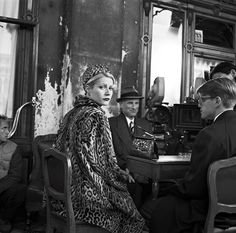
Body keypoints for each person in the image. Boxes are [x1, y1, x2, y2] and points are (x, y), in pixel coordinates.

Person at [54, 64, 145, 233]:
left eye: (110, 88)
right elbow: (100, 163)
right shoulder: (97, 115)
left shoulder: (71, 113)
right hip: (85, 197)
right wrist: (118, 175)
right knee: (134, 217)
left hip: (62, 192)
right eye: (102, 87)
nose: (108, 92)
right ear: (87, 89)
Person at [149, 77, 236, 233]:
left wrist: (168, 187)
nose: (198, 104)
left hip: (211, 211)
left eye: (202, 99)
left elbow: (194, 188)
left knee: (158, 209)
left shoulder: (209, 135)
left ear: (217, 101)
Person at [109, 86, 153, 210]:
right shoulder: (111, 124)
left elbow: (149, 153)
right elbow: (110, 152)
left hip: (143, 173)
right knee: (134, 187)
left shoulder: (146, 125)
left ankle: (146, 220)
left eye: (136, 103)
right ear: (121, 105)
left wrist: (142, 171)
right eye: (130, 103)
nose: (134, 107)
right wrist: (126, 170)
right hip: (122, 171)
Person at [0, 115, 26, 233]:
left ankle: (3, 220)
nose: (7, 132)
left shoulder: (14, 148)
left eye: (8, 128)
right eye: (3, 128)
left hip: (4, 190)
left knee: (20, 189)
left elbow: (15, 176)